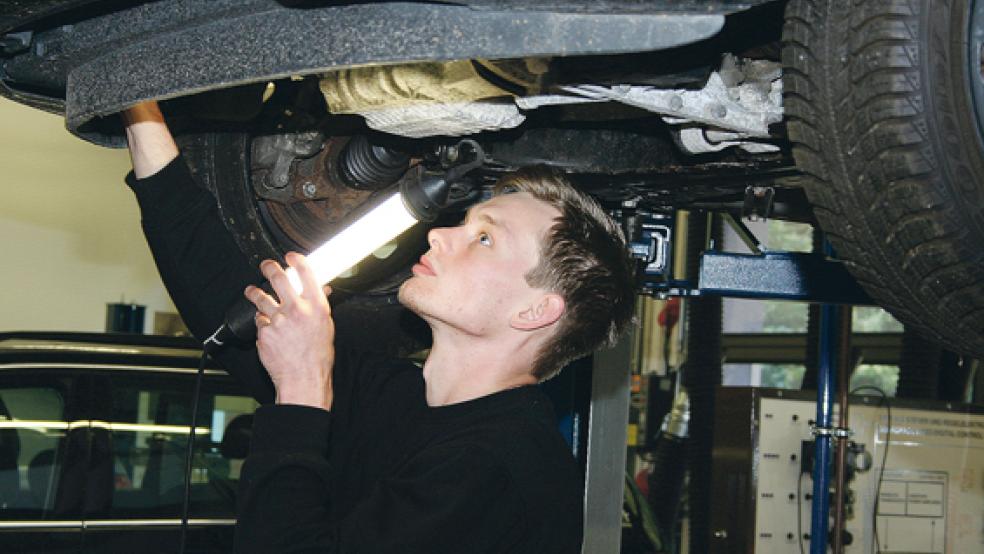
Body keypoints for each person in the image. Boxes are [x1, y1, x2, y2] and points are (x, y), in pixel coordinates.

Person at [122, 100, 636, 553]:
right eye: (464, 223)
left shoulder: (501, 471)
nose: (439, 236)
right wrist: (139, 111)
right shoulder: (393, 397)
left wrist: (302, 386)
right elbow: (220, 294)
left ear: (534, 311)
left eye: (484, 239)